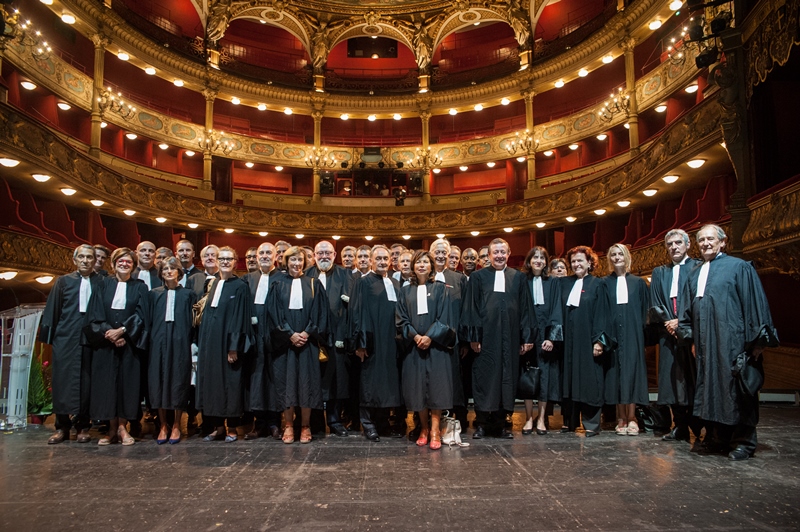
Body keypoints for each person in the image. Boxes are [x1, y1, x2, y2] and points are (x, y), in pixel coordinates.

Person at [678, 225, 778, 461]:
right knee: (711, 389)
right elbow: (687, 311)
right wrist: (692, 339)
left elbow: (754, 304)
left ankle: (744, 441)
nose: (705, 243)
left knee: (737, 391)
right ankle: (717, 437)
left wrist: (757, 342)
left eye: (710, 238)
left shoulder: (739, 267)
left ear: (723, 242)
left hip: (733, 343)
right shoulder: (694, 274)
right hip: (705, 346)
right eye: (701, 240)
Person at [462, 238, 534, 438]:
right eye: (496, 252)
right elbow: (471, 308)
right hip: (486, 338)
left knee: (506, 378)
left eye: (503, 252)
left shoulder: (518, 278)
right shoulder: (477, 277)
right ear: (489, 255)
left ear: (508, 254)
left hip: (510, 337)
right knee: (484, 378)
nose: (500, 256)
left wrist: (526, 337)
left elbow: (526, 309)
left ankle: (501, 423)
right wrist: (474, 337)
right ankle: (482, 423)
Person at [39, 244, 104, 444]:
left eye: (89, 257)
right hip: (66, 338)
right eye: (81, 257)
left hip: (92, 338)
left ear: (95, 260)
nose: (85, 260)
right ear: (74, 260)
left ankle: (83, 426)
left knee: (87, 382)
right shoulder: (63, 282)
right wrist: (50, 338)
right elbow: (53, 310)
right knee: (62, 381)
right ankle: (62, 427)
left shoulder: (102, 282)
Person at [267, 246, 328, 444]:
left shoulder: (313, 283)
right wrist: (290, 334)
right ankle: (288, 425)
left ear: (305, 262)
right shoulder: (277, 284)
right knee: (286, 384)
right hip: (285, 345)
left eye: (300, 260)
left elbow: (320, 313)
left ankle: (305, 425)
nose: (296, 263)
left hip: (308, 343)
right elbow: (274, 314)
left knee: (306, 384)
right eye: (292, 260)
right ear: (286, 262)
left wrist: (307, 332)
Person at [89, 247, 149, 446]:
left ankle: (123, 427)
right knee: (107, 386)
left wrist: (122, 331)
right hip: (106, 344)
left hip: (129, 344)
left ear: (133, 265)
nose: (124, 264)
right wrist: (110, 333)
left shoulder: (139, 287)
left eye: (128, 262)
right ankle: (111, 429)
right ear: (114, 264)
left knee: (127, 386)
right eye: (120, 261)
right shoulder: (102, 284)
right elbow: (95, 313)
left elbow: (142, 315)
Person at [397, 250, 455, 450]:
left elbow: (445, 317)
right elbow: (401, 319)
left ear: (431, 266)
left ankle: (435, 430)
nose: (421, 265)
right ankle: (423, 428)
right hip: (414, 347)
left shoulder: (441, 289)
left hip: (436, 346)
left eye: (425, 262)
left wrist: (430, 336)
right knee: (417, 389)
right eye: (418, 262)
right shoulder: (405, 291)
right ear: (413, 267)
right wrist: (415, 336)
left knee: (436, 388)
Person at [649, 229, 703, 443]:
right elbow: (655, 303)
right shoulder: (660, 272)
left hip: (691, 333)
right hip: (668, 334)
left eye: (678, 242)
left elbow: (699, 300)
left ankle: (699, 427)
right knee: (672, 382)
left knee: (693, 379)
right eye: (670, 244)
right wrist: (670, 323)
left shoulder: (698, 267)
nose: (674, 247)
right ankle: (679, 426)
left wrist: (682, 321)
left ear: (688, 245)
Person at [195, 246, 253, 442]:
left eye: (229, 259)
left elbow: (239, 319)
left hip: (228, 345)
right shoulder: (212, 283)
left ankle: (233, 428)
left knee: (231, 384)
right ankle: (218, 427)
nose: (225, 262)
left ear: (235, 263)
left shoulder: (240, 286)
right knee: (213, 384)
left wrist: (233, 347)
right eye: (222, 259)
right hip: (210, 343)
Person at [348, 245, 403, 441]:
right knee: (369, 382)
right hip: (371, 340)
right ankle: (368, 423)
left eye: (385, 258)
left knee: (387, 382)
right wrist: (360, 343)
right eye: (378, 258)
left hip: (391, 341)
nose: (382, 262)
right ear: (371, 261)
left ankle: (382, 422)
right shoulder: (363, 282)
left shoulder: (395, 283)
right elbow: (356, 313)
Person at [560, 246, 611, 437]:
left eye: (580, 260)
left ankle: (591, 423)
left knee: (590, 380)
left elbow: (602, 313)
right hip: (568, 342)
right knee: (569, 379)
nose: (576, 264)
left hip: (588, 340)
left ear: (590, 262)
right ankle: (569, 422)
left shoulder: (598, 284)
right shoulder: (565, 283)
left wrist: (599, 341)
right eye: (573, 261)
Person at [305, 240, 354, 437]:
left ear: (334, 255)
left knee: (336, 381)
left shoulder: (346, 275)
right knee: (314, 380)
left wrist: (342, 335)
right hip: (312, 336)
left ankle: (334, 421)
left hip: (337, 337)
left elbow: (350, 309)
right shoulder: (306, 275)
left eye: (328, 253)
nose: (324, 256)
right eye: (320, 253)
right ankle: (316, 423)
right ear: (314, 256)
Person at [148, 256, 196, 445]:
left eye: (172, 269)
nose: (169, 272)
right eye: (165, 269)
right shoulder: (154, 294)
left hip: (180, 343)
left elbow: (193, 322)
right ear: (161, 273)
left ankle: (176, 424)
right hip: (158, 343)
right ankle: (163, 425)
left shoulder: (188, 294)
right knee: (158, 382)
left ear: (179, 272)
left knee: (178, 381)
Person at [604, 243, 649, 436]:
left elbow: (645, 312)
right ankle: (620, 417)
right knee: (616, 376)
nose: (617, 258)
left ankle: (632, 417)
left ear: (627, 257)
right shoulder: (605, 283)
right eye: (613, 255)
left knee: (632, 374)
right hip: (613, 335)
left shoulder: (638, 283)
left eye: (620, 254)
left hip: (633, 335)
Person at [520, 246, 563, 435]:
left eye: (542, 258)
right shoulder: (522, 280)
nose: (538, 260)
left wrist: (551, 338)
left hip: (545, 334)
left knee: (545, 377)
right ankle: (528, 418)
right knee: (528, 376)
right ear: (529, 261)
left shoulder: (553, 282)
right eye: (535, 257)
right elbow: (520, 311)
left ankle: (542, 418)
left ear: (546, 262)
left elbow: (556, 310)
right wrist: (524, 338)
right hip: (527, 335)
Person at [242, 242, 282, 441]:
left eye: (269, 253)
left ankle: (275, 423)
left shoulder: (282, 278)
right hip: (254, 336)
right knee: (256, 380)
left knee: (274, 379)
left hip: (275, 337)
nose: (265, 256)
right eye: (261, 253)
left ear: (275, 257)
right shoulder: (248, 279)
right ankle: (259, 424)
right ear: (257, 257)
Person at [430, 238, 468, 431]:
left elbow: (465, 311)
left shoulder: (458, 279)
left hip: (453, 341)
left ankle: (457, 420)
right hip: (429, 340)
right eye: (436, 252)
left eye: (444, 253)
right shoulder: (425, 277)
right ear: (430, 254)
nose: (440, 256)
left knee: (454, 381)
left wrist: (465, 341)